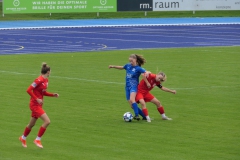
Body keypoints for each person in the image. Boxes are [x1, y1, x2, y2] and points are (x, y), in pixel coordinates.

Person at [19, 63, 59, 148]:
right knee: (47, 121)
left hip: (39, 105)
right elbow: (29, 90)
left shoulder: (46, 81)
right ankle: (37, 139)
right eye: (50, 71)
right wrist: (36, 98)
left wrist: (52, 95)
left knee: (31, 124)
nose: (50, 73)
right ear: (48, 72)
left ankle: (23, 137)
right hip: (34, 104)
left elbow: (43, 92)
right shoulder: (38, 80)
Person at [109, 54, 151, 121]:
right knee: (132, 105)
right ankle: (144, 116)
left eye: (132, 61)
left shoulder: (138, 68)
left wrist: (148, 73)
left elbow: (146, 72)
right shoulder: (128, 65)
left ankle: (136, 115)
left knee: (132, 99)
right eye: (130, 61)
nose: (130, 62)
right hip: (127, 87)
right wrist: (113, 66)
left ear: (135, 60)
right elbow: (122, 67)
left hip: (134, 86)